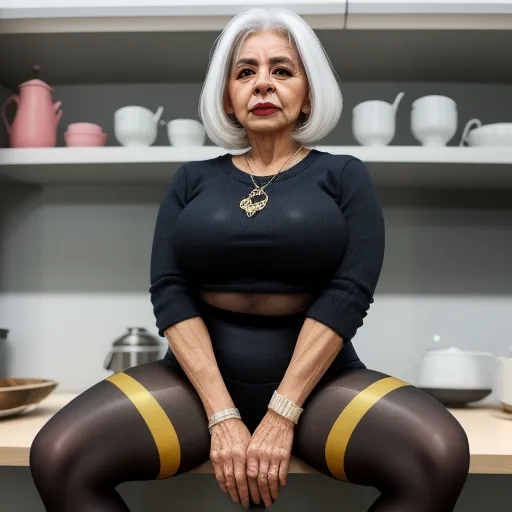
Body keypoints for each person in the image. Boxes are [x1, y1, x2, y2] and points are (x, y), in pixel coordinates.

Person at [29, 7, 470, 511]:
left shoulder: (345, 176)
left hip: (319, 385)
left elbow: (348, 295)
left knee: (438, 454)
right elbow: (169, 291)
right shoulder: (191, 179)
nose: (263, 84)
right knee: (59, 455)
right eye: (246, 72)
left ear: (308, 94)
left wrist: (282, 414)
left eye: (281, 70)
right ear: (228, 97)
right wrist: (222, 415)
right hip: (195, 386)